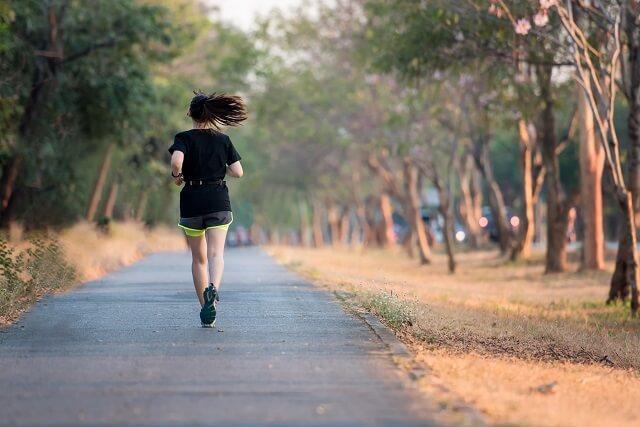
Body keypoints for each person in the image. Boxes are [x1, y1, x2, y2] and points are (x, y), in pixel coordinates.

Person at [169, 92, 246, 327]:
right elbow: (238, 172)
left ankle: (205, 306)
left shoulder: (183, 138)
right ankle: (214, 289)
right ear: (211, 114)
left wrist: (177, 176)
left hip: (192, 201)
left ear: (190, 113)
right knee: (216, 254)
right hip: (218, 201)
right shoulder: (223, 140)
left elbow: (176, 162)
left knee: (198, 259)